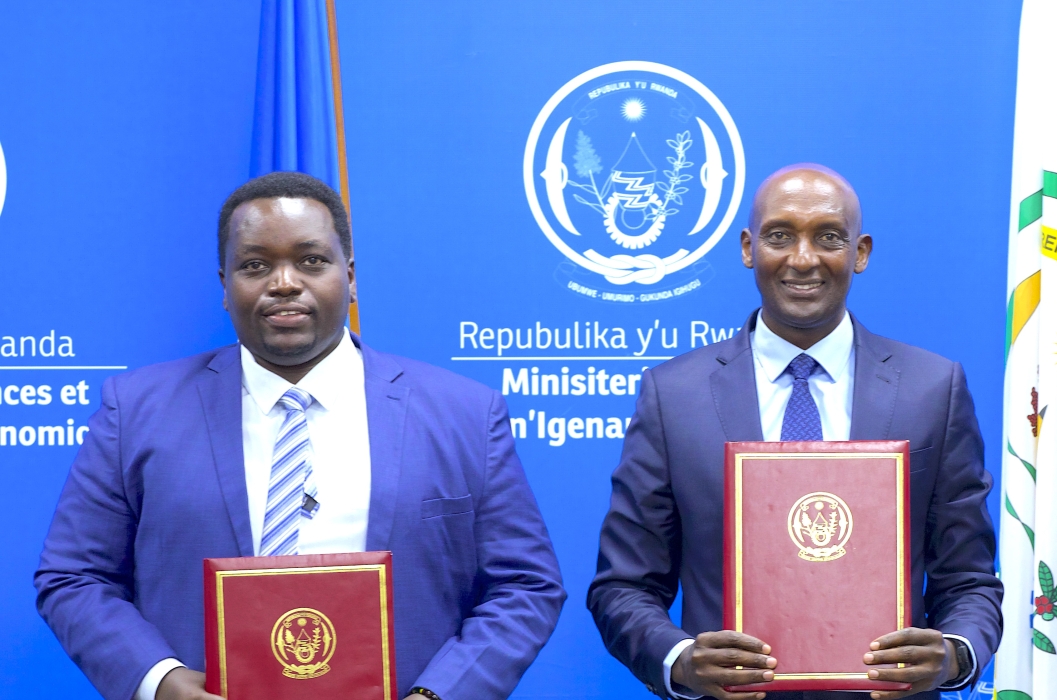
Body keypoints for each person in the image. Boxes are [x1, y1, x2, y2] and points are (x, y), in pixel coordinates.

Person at [35, 171, 565, 700]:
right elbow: (74, 577)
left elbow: (526, 586)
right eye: (255, 265)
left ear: (351, 277)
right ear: (224, 285)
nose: (284, 282)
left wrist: (439, 697)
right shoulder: (136, 410)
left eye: (311, 260)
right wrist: (161, 683)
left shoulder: (464, 412)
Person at [588, 164, 1002, 700]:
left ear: (861, 252)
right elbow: (623, 585)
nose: (803, 259)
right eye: (780, 235)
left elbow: (969, 580)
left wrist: (953, 654)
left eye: (828, 237)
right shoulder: (674, 396)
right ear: (747, 247)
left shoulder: (932, 389)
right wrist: (683, 661)